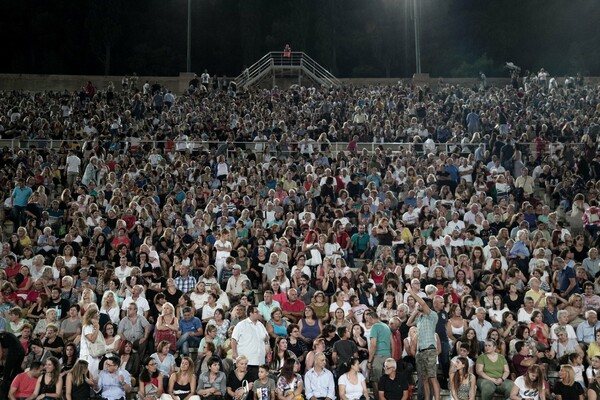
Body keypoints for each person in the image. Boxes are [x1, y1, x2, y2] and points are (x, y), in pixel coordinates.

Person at [407, 285, 440, 400]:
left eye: (418, 304)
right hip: (420, 351)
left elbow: (424, 304)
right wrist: (416, 310)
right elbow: (408, 322)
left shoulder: (433, 316)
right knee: (424, 378)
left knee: (432, 377)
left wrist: (412, 292)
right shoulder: (420, 318)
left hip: (430, 350)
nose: (417, 305)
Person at [231, 305, 269, 382]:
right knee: (246, 385)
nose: (258, 314)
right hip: (247, 362)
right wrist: (234, 353)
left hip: (259, 362)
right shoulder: (241, 324)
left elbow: (266, 339)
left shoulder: (261, 325)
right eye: (256, 312)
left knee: (256, 386)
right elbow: (234, 339)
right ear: (250, 313)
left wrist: (266, 349)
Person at [365, 309, 391, 396]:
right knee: (386, 381)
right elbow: (392, 343)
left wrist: (369, 361)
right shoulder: (386, 326)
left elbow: (373, 345)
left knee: (376, 381)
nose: (367, 321)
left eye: (368, 319)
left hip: (378, 357)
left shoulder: (374, 327)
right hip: (388, 356)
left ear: (372, 318)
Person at [0, 331, 26, 396]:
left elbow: (0, 353)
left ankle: (4, 395)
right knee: (15, 374)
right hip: (22, 351)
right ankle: (13, 393)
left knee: (6, 374)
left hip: (14, 352)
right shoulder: (5, 334)